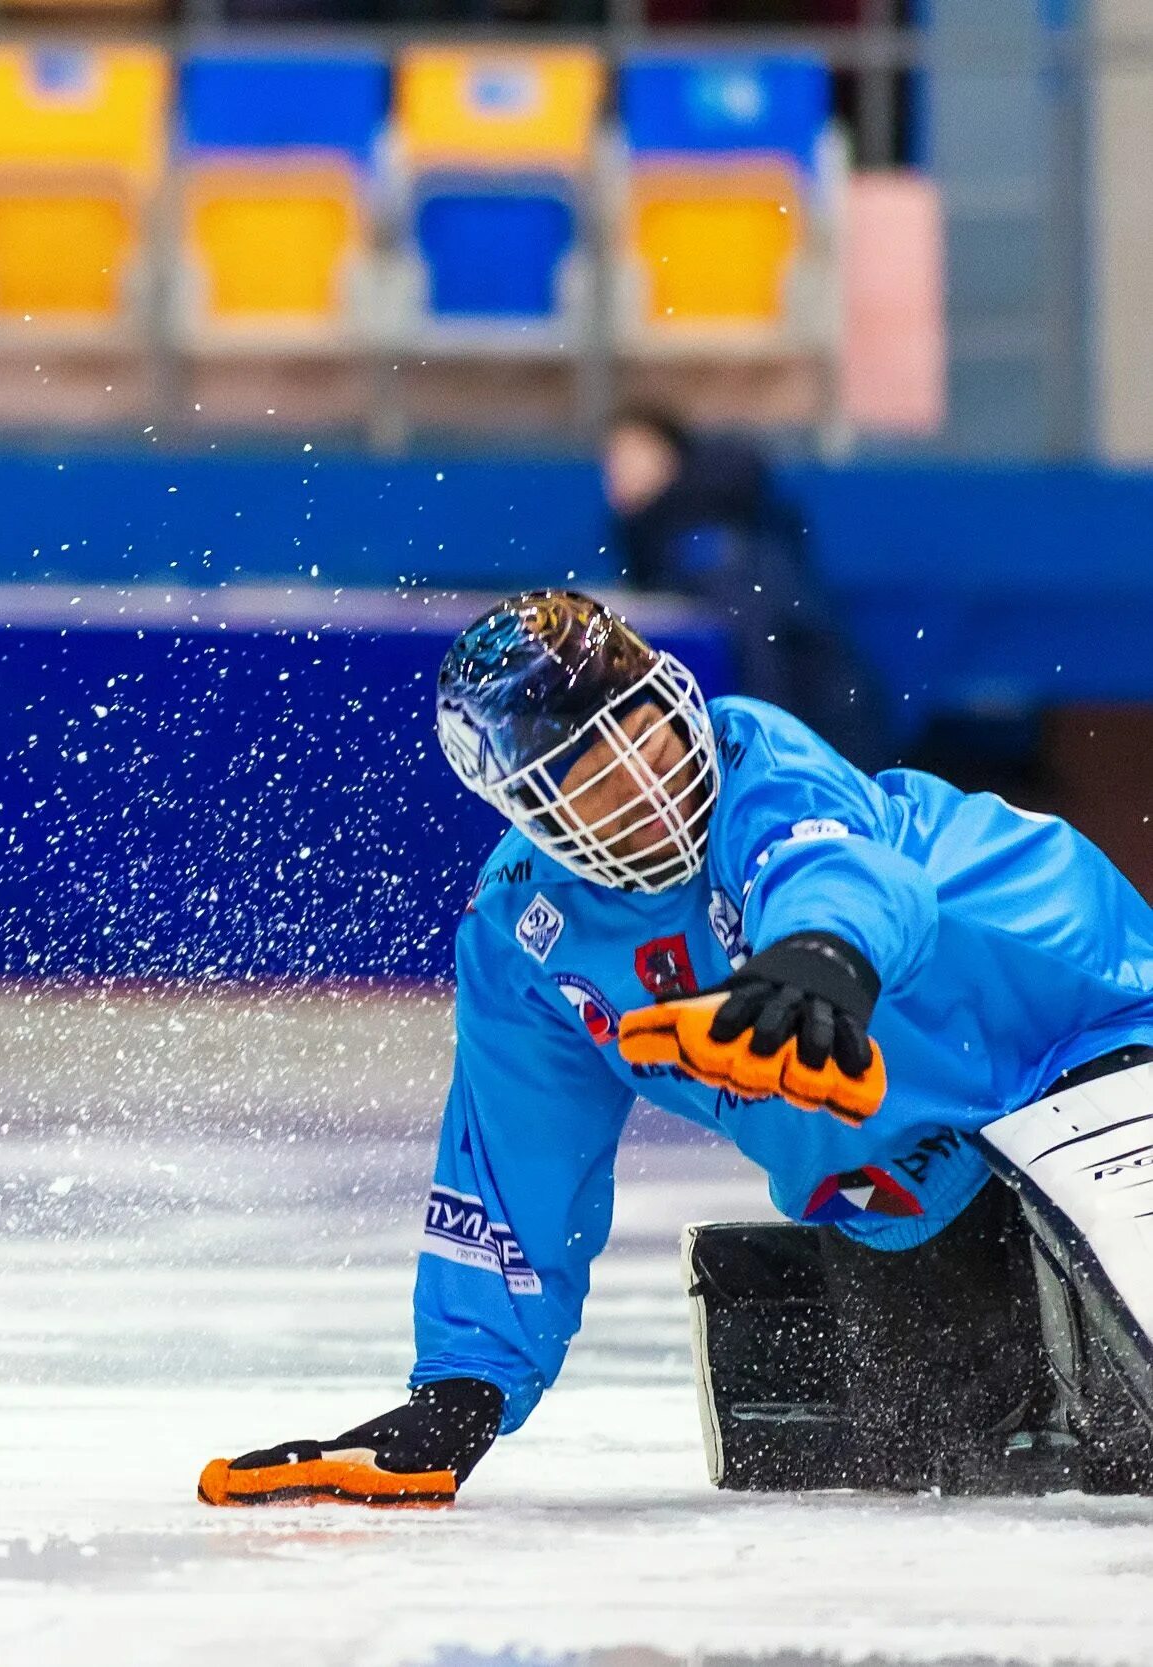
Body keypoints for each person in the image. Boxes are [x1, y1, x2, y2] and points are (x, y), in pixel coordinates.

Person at [198, 590, 1153, 1508]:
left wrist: (817, 963)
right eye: (593, 773)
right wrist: (459, 1398)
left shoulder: (757, 755)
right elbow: (515, 1163)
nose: (649, 782)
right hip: (897, 1168)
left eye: (644, 727)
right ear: (533, 814)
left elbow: (834, 868)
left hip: (1086, 1025)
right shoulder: (521, 940)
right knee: (937, 1453)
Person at [603, 407, 883, 770]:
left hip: (821, 741)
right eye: (612, 461)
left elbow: (761, 654)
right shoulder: (670, 539)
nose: (619, 473)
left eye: (633, 456)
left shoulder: (709, 544)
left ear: (670, 458)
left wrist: (765, 761)